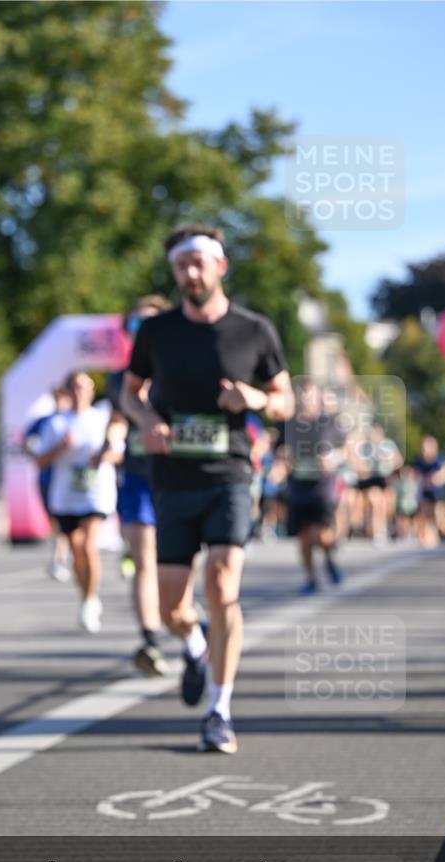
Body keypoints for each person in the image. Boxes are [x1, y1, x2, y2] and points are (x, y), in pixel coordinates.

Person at [121, 224, 294, 754]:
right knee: (173, 607)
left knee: (222, 585)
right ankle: (194, 646)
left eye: (199, 263)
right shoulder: (157, 332)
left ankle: (220, 710)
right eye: (180, 266)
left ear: (220, 267)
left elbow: (285, 399)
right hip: (173, 478)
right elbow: (130, 392)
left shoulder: (254, 331)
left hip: (231, 475)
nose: (190, 273)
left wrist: (256, 400)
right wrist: (147, 419)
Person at [107, 295, 172, 675]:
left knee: (174, 562)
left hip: (177, 478)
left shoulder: (178, 373)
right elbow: (117, 418)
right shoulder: (119, 378)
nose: (142, 333)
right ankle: (150, 641)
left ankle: (181, 611)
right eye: (135, 325)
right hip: (136, 477)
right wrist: (113, 439)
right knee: (145, 559)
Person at [33, 371, 120, 633]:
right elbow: (40, 461)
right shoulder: (56, 423)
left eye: (86, 386)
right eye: (76, 386)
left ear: (92, 391)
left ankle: (89, 603)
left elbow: (119, 454)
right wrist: (61, 446)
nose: (81, 391)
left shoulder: (102, 419)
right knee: (77, 550)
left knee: (89, 545)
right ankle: (87, 596)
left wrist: (102, 458)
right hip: (66, 496)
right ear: (68, 391)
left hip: (97, 493)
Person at [285, 380, 345, 594]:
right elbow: (279, 450)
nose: (306, 401)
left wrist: (333, 458)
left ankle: (329, 559)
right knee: (303, 538)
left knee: (320, 535)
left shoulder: (329, 423)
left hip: (322, 485)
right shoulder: (290, 423)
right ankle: (311, 578)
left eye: (310, 396)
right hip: (298, 484)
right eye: (303, 396)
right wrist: (283, 458)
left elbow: (346, 448)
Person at [23, 385, 72, 582]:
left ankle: (60, 558)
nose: (60, 399)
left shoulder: (74, 419)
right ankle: (59, 557)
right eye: (57, 396)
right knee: (55, 520)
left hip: (68, 478)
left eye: (63, 395)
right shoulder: (43, 421)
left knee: (66, 519)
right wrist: (37, 457)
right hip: (47, 477)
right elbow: (26, 443)